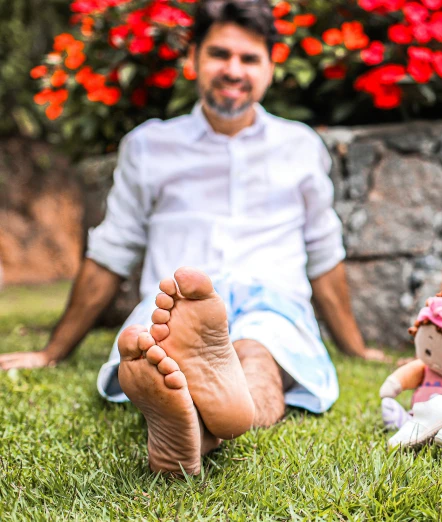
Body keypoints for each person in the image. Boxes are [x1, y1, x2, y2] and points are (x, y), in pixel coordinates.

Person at [0, 0, 384, 474]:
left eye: (249, 59)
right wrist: (52, 350)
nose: (234, 69)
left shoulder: (300, 146)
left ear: (269, 69)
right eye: (220, 54)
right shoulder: (148, 146)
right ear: (193, 60)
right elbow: (111, 251)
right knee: (165, 347)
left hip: (273, 299)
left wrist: (357, 347)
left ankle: (196, 426)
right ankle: (197, 411)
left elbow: (324, 255)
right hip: (173, 304)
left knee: (259, 354)